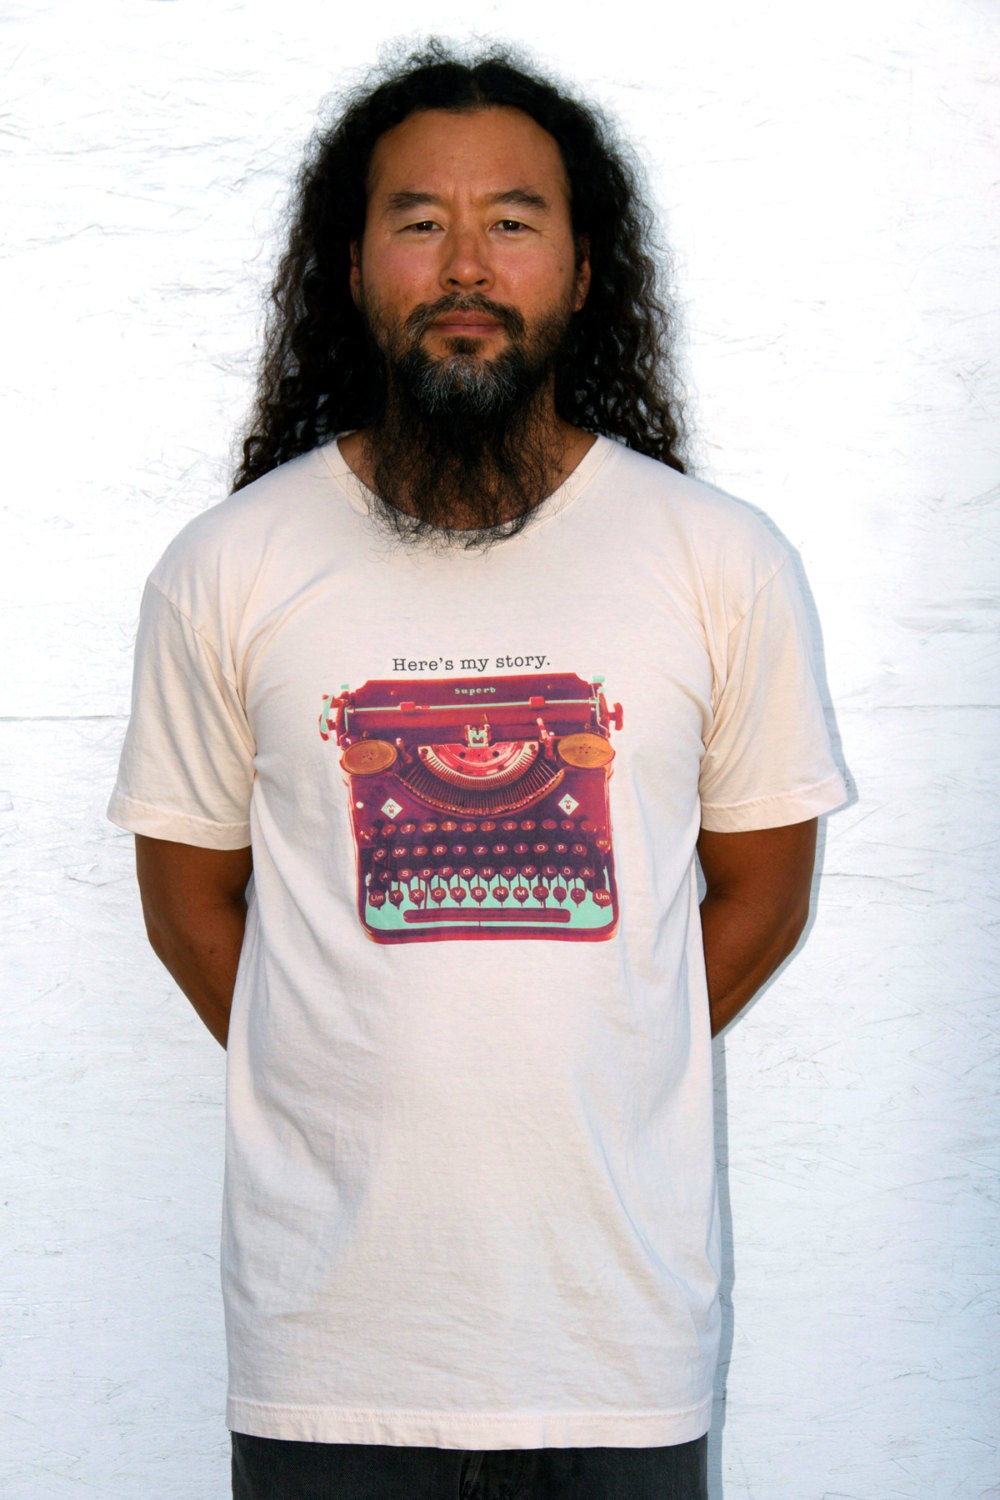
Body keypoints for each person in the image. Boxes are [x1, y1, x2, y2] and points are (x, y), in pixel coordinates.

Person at [109, 42, 846, 1500]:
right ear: (353, 266)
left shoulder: (720, 558)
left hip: (617, 1341)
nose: (464, 264)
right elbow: (189, 905)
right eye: (418, 221)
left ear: (582, 267)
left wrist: (601, 1044)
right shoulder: (228, 564)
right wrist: (339, 1064)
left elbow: (763, 894)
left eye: (512, 221)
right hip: (328, 1346)